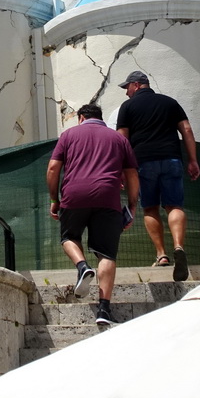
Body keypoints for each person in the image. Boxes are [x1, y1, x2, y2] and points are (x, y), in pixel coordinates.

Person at [47, 103, 139, 325]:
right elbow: (132, 175)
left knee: (69, 237)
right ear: (101, 118)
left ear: (80, 118)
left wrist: (54, 199)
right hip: (108, 197)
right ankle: (104, 310)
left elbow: (52, 168)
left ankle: (82, 267)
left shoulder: (68, 135)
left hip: (74, 195)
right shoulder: (118, 139)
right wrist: (133, 205)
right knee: (106, 254)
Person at [116, 71, 199, 282]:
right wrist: (193, 160)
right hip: (171, 159)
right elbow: (186, 130)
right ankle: (178, 246)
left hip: (142, 163)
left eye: (127, 87)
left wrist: (121, 169)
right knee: (174, 206)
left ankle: (161, 254)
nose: (126, 92)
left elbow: (122, 140)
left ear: (136, 85)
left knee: (150, 207)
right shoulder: (170, 103)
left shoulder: (127, 107)